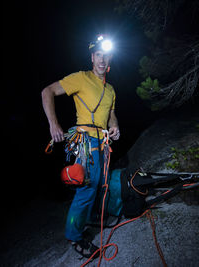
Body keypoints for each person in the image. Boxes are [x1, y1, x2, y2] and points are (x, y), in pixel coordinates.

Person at [41, 34, 120, 258]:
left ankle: (89, 220)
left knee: (99, 185)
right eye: (98, 55)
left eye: (106, 55)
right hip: (85, 142)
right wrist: (53, 123)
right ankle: (74, 237)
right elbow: (47, 92)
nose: (102, 60)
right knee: (86, 188)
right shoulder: (81, 78)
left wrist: (115, 126)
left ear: (110, 58)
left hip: (103, 143)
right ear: (92, 57)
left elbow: (111, 113)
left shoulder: (111, 89)